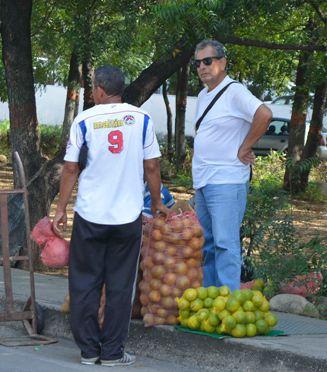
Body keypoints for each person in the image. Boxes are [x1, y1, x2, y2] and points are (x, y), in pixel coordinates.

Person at [52, 65, 169, 367]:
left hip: (90, 217)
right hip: (126, 218)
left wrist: (61, 208)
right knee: (119, 287)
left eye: (92, 88)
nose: (92, 93)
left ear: (101, 91)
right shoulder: (141, 119)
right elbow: (152, 167)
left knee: (84, 284)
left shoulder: (84, 120)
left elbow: (70, 168)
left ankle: (89, 351)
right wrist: (156, 202)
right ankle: (113, 353)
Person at [192, 40, 272, 291]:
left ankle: (227, 305)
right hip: (204, 181)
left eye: (208, 60)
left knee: (226, 244)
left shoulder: (234, 91)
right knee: (208, 244)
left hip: (226, 180)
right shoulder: (203, 96)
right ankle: (210, 300)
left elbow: (265, 114)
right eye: (198, 63)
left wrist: (245, 146)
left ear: (222, 62)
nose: (202, 66)